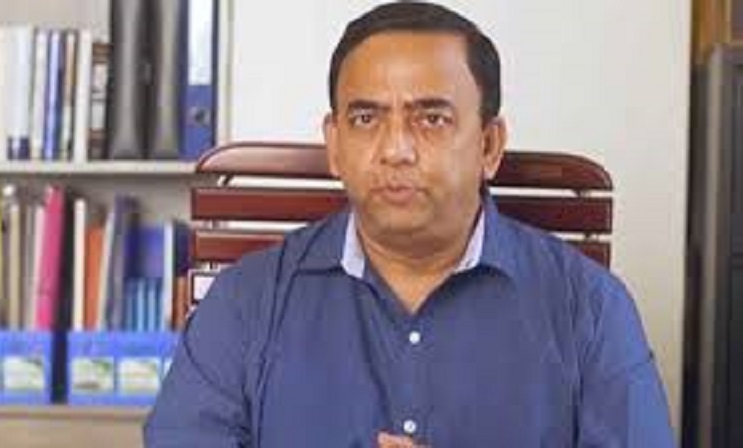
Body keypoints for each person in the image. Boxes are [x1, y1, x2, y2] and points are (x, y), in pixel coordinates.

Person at [144, 2, 675, 446]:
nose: (396, 149)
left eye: (432, 119)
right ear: (334, 145)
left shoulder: (590, 310)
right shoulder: (245, 303)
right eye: (366, 118)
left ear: (489, 145)